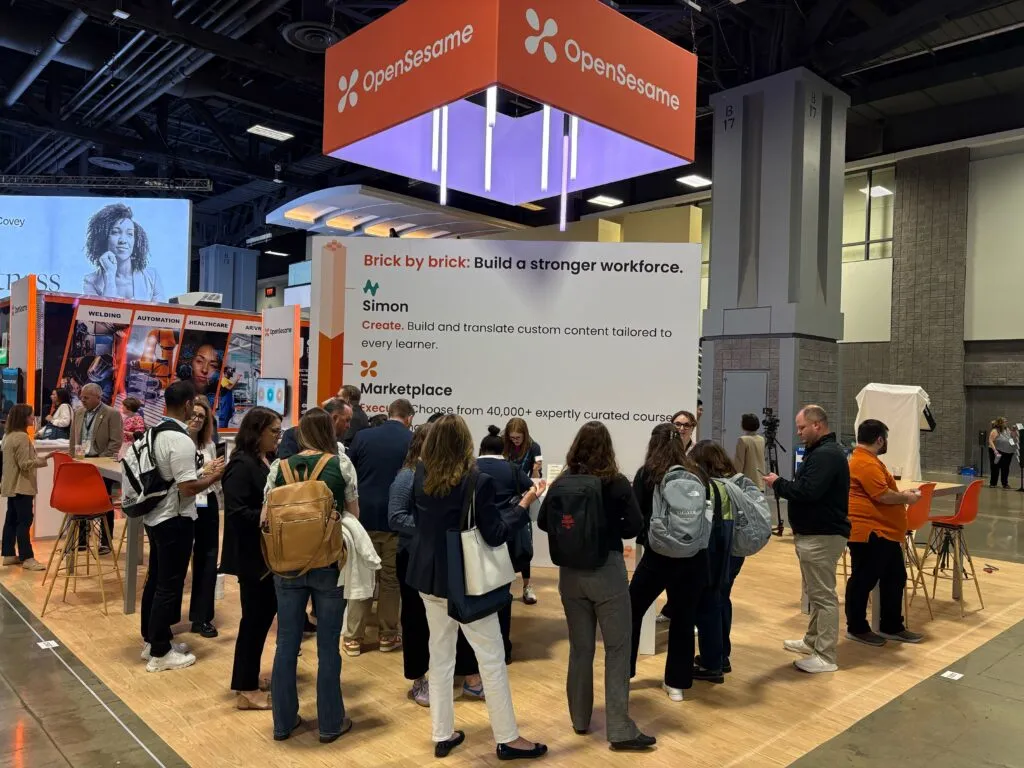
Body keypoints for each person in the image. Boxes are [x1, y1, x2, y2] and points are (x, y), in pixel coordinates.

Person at [407, 414, 546, 760]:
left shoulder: (421, 474)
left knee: (440, 657)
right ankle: (508, 738)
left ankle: (442, 732)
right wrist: (525, 504)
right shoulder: (475, 481)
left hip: (428, 578)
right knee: (491, 659)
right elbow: (496, 532)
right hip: (467, 580)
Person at [539, 421, 653, 750]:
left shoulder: (563, 481)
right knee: (617, 649)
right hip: (606, 572)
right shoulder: (615, 482)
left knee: (580, 649)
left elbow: (545, 521)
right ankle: (619, 729)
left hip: (570, 575)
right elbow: (633, 526)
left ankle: (579, 719)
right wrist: (606, 526)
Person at [264, 408, 351, 743]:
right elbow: (352, 514)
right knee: (329, 646)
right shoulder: (340, 464)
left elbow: (265, 515)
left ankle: (283, 723)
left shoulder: (278, 468)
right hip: (328, 564)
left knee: (286, 643)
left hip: (286, 565)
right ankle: (331, 723)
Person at [389, 424, 490, 706]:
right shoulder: (409, 476)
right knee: (416, 622)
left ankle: (467, 676)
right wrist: (427, 528)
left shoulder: (446, 477)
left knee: (453, 621)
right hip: (414, 556)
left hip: (441, 556)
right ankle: (419, 678)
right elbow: (395, 517)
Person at [141, 381, 223, 673]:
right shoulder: (180, 440)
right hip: (174, 518)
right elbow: (188, 488)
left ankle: (154, 640)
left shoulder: (154, 433)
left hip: (156, 516)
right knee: (168, 584)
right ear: (188, 404)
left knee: (157, 579)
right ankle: (160, 652)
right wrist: (214, 477)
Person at [764, 405, 851, 674]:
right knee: (815, 593)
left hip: (822, 535)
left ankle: (825, 655)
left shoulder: (826, 455)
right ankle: (812, 641)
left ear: (818, 425)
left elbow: (807, 491)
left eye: (802, 427)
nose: (799, 433)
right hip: (815, 533)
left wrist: (778, 483)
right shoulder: (822, 452)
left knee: (823, 596)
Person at [629, 423, 709, 701]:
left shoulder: (647, 474)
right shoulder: (697, 473)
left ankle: (624, 672)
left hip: (657, 557)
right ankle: (676, 684)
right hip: (694, 558)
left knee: (632, 609)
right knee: (684, 621)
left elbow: (636, 518)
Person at [221, 406, 281, 710]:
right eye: (274, 431)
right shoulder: (241, 466)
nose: (278, 437)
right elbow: (236, 513)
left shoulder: (261, 461)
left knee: (260, 619)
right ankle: (245, 688)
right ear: (257, 431)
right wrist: (270, 515)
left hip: (263, 555)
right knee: (254, 621)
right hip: (250, 558)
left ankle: (250, 677)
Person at [344, 398, 414, 656]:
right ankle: (388, 635)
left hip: (362, 520)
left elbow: (349, 473)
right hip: (396, 520)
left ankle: (353, 639)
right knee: (390, 580)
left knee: (361, 578)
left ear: (389, 413)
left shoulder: (363, 437)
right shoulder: (411, 440)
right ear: (409, 418)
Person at [845, 419, 924, 647]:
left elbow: (883, 491)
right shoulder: (864, 463)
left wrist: (901, 494)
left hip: (884, 532)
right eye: (886, 439)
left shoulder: (868, 461)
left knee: (895, 577)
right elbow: (882, 496)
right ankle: (857, 627)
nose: (886, 442)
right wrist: (907, 498)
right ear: (879, 440)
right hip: (870, 532)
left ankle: (892, 625)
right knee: (863, 579)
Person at [690, 440, 746, 682]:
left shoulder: (709, 487)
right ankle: (722, 656)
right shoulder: (734, 483)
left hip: (716, 553)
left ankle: (712, 663)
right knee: (722, 600)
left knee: (708, 605)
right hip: (734, 552)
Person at [479, 425, 534, 651]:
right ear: (503, 449)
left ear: (481, 448)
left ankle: (477, 648)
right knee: (502, 593)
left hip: (475, 538)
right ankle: (503, 647)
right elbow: (532, 489)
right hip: (505, 536)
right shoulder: (511, 470)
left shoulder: (469, 467)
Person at [70, 382, 123, 553]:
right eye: (81, 396)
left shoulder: (111, 414)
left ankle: (105, 542)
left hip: (102, 465)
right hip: (81, 463)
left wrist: (101, 460)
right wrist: (73, 459)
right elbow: (73, 440)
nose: (82, 400)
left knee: (104, 502)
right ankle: (83, 540)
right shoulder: (78, 413)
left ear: (98, 398)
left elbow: (116, 442)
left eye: (86, 397)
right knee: (82, 502)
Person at [187, 397, 224, 639]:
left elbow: (214, 478)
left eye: (203, 416)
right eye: (195, 415)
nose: (198, 420)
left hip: (207, 503)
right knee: (178, 561)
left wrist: (215, 473)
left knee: (208, 560)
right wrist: (204, 471)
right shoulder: (176, 443)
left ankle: (201, 618)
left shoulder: (208, 444)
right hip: (183, 503)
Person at [82, 203, 164, 302]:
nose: (123, 240)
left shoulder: (152, 277)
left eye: (130, 234)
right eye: (115, 232)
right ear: (103, 238)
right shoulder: (90, 281)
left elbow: (159, 316)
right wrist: (110, 275)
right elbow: (103, 314)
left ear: (136, 241)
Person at [1, 405, 50, 571]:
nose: (32, 418)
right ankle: (27, 557)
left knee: (11, 520)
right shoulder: (22, 437)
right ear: (24, 418)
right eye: (30, 416)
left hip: (11, 485)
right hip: (21, 486)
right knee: (24, 520)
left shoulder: (9, 436)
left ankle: (8, 554)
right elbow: (24, 464)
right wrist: (44, 460)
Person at [503, 418, 541, 604]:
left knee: (524, 545)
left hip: (524, 500)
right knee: (504, 545)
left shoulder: (534, 448)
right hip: (503, 502)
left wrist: (535, 470)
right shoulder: (504, 447)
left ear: (525, 435)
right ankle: (504, 587)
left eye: (518, 438)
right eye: (512, 438)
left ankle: (527, 586)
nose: (515, 441)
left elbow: (536, 479)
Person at [734, 413, 767, 490]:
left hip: (747, 483)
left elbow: (739, 463)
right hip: (760, 482)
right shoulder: (761, 439)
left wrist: (734, 479)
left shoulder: (743, 440)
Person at [988, 417, 1017, 489]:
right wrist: (995, 451)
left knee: (1005, 468)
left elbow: (1012, 436)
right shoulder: (995, 431)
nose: (1006, 422)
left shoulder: (1007, 429)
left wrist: (1013, 430)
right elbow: (990, 441)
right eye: (1005, 421)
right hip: (997, 451)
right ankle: (993, 483)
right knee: (995, 468)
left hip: (1007, 452)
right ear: (1000, 423)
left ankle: (1005, 484)